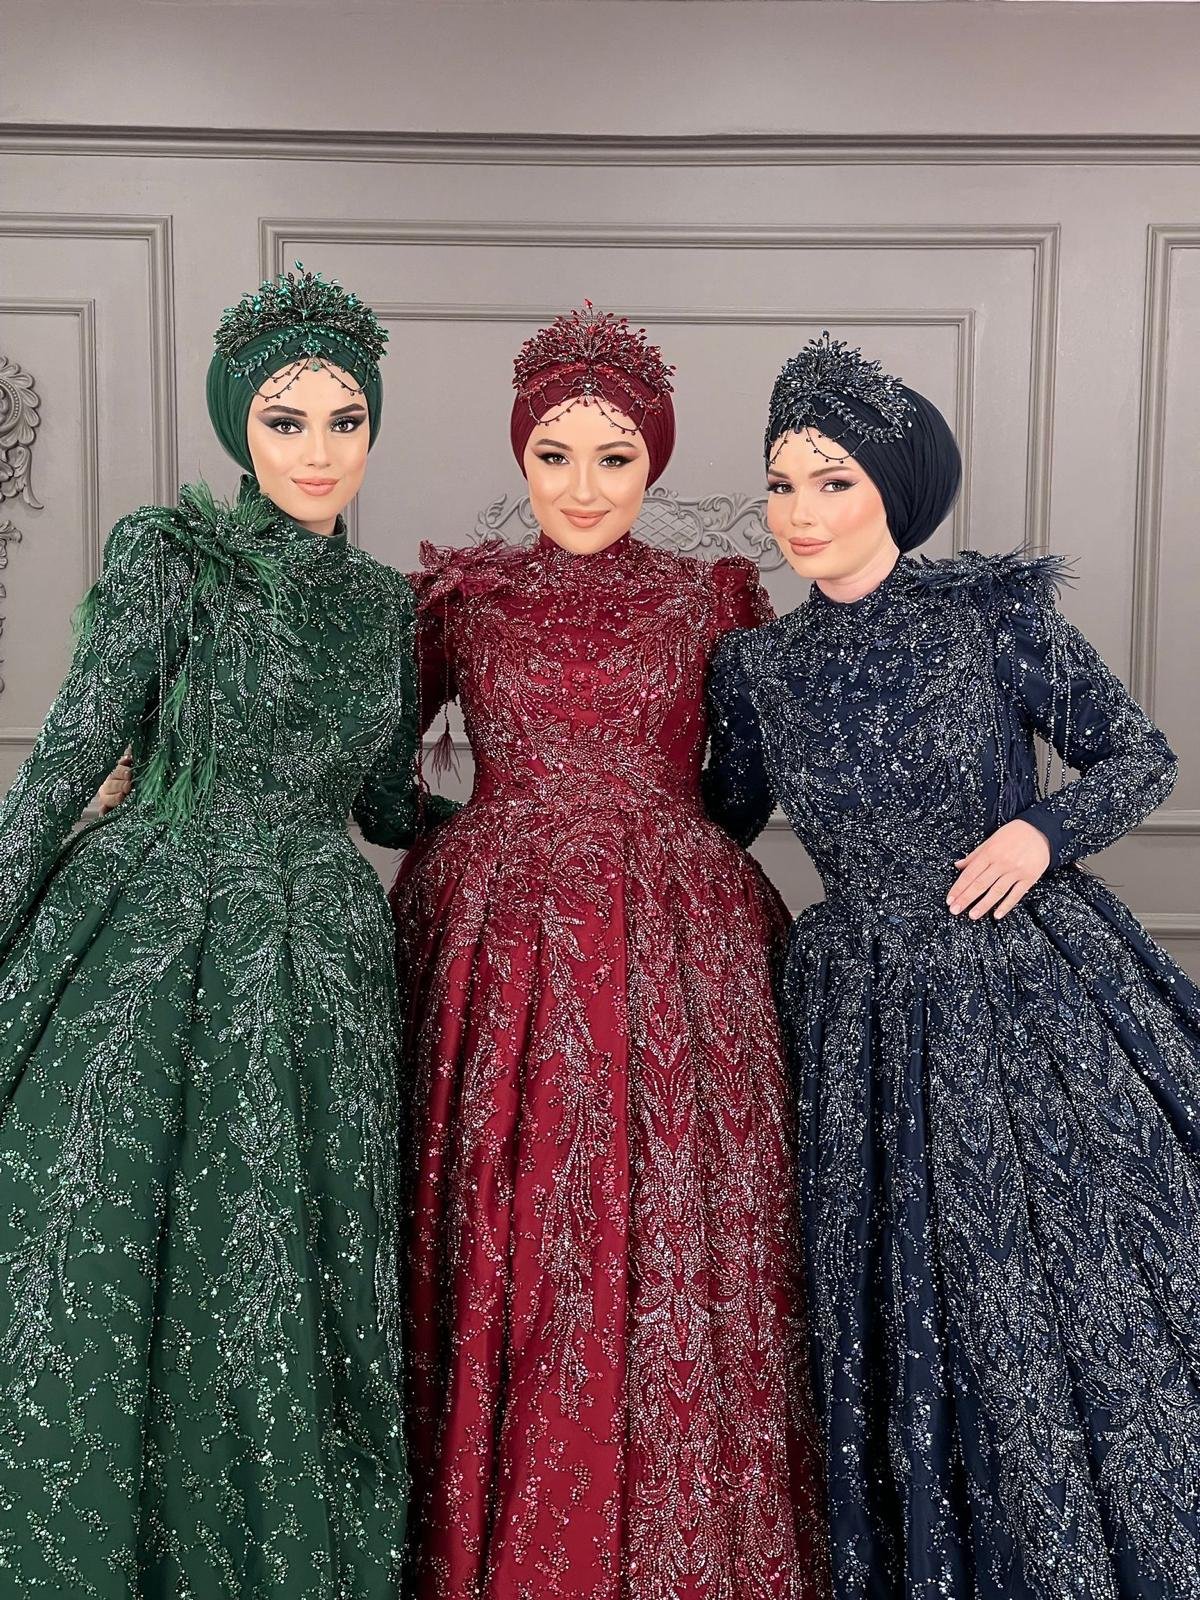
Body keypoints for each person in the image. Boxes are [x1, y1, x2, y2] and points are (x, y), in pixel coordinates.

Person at [704, 331, 1200, 1598]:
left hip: (1011, 977)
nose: (800, 512)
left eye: (834, 482)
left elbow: (1141, 756)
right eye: (782, 483)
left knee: (1041, 1284)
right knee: (894, 1299)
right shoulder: (759, 666)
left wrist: (1041, 832)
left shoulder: (992, 618)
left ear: (895, 490)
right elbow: (719, 818)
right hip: (855, 1010)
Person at [390, 305, 828, 1599]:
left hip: (679, 959)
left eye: (616, 457)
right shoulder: (465, 599)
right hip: (501, 957)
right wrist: (480, 846)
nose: (583, 486)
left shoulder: (711, 600)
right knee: (513, 1235)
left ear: (656, 461)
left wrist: (656, 851)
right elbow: (367, 770)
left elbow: (739, 790)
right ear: (522, 456)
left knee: (677, 1243)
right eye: (555, 455)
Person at [0, 266, 425, 1599]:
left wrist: (551, 816)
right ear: (239, 422)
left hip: (323, 967)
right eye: (286, 420)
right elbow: (68, 758)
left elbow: (385, 805)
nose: (317, 450)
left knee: (288, 1281)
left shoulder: (387, 607)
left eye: (345, 420)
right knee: (107, 1251)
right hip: (159, 934)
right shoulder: (169, 554)